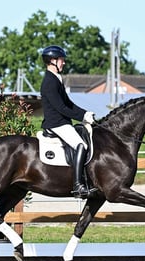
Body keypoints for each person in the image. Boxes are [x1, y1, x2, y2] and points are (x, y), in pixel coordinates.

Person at [40, 45, 97, 199]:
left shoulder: (56, 79)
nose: (63, 63)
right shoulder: (49, 82)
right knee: (81, 145)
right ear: (53, 61)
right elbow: (61, 108)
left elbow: (69, 104)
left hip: (62, 122)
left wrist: (85, 113)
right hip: (56, 123)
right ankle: (78, 185)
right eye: (61, 60)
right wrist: (82, 118)